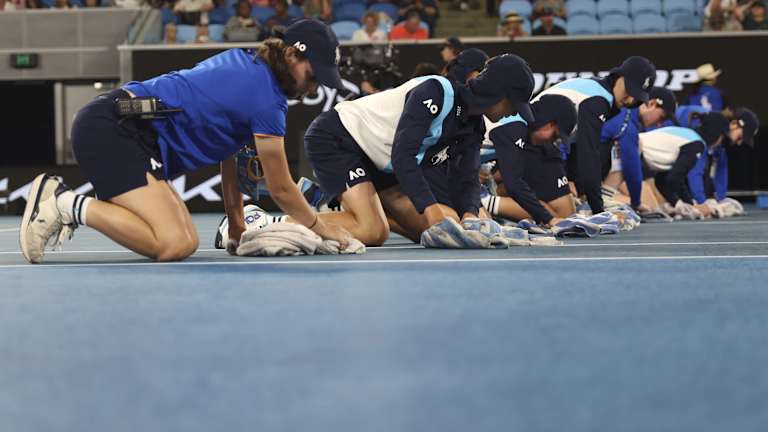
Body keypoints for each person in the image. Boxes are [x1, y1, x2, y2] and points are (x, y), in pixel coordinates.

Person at [19, 20, 350, 264]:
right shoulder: (267, 99)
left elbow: (232, 152)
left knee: (185, 241)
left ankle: (65, 203)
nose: (312, 89)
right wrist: (321, 228)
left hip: (122, 130)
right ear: (292, 54)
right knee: (174, 243)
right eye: (312, 76)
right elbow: (280, 188)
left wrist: (236, 221)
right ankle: (63, 203)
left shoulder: (248, 62)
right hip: (114, 130)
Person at [297, 54, 535, 245]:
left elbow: (467, 180)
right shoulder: (436, 91)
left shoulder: (474, 127)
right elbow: (404, 156)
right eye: (513, 104)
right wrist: (430, 210)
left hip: (382, 161)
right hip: (341, 136)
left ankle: (343, 205)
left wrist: (471, 215)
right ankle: (277, 221)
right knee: (372, 232)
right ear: (498, 93)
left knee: (443, 224)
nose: (514, 112)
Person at [533, 56, 657, 215]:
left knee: (568, 204)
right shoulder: (598, 99)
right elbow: (588, 155)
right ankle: (494, 204)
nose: (630, 99)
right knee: (565, 212)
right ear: (619, 76)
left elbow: (576, 145)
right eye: (629, 89)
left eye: (637, 97)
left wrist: (578, 188)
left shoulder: (599, 91)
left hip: (529, 145)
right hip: (524, 144)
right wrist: (599, 210)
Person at [479, 95, 578, 226]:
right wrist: (548, 219)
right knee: (484, 225)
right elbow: (513, 183)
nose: (552, 142)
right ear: (549, 124)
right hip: (450, 171)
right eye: (555, 136)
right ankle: (482, 200)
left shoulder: (522, 127)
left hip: (465, 166)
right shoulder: (515, 126)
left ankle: (482, 199)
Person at [638, 112, 731, 218]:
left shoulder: (689, 137)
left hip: (634, 150)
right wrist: (694, 204)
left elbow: (661, 179)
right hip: (633, 150)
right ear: (717, 134)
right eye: (722, 137)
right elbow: (675, 179)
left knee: (650, 208)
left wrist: (677, 203)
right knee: (648, 208)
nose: (721, 142)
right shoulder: (696, 144)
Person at [600, 87, 678, 211]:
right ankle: (598, 200)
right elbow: (631, 167)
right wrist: (636, 203)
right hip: (570, 172)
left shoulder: (626, 112)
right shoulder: (626, 120)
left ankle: (598, 198)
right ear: (652, 104)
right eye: (662, 117)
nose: (659, 124)